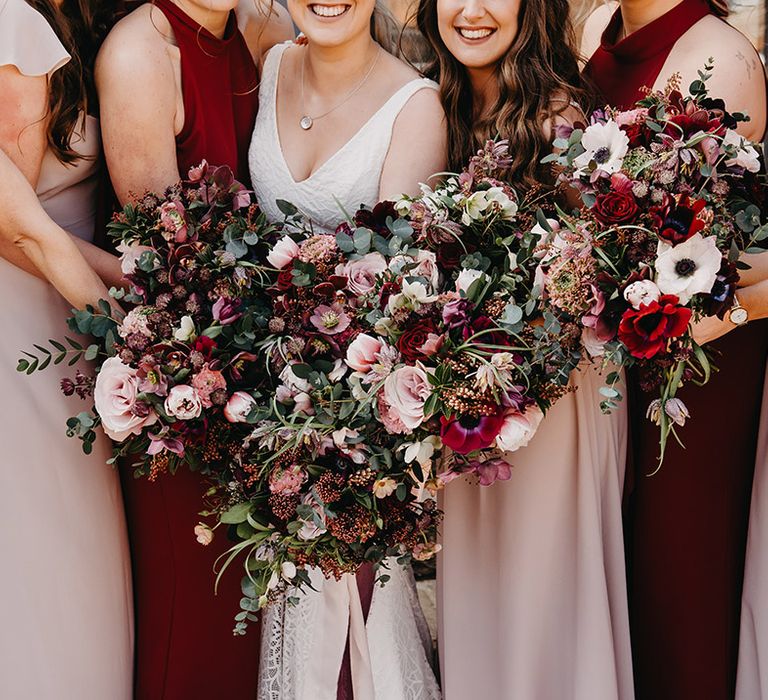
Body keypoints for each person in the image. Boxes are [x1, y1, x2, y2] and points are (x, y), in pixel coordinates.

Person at [415, 1, 634, 698]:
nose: (472, 11)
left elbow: (599, 274)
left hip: (557, 398)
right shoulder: (430, 105)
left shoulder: (560, 118)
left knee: (544, 595)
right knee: (482, 594)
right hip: (471, 405)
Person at [248, 1, 446, 697]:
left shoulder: (415, 107)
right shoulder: (267, 60)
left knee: (349, 637)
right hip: (256, 419)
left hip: (351, 430)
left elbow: (399, 306)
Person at [95, 1, 293, 696]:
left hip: (274, 383)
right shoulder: (141, 53)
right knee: (199, 619)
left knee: (265, 628)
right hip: (187, 389)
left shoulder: (262, 30)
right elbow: (163, 270)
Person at [581, 1, 768, 698]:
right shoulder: (601, 29)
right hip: (610, 359)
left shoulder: (719, 54)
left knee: (676, 582)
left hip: (692, 367)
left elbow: (695, 247)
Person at [0, 1, 133, 697]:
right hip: (32, 321)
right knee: (45, 545)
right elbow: (18, 230)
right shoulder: (11, 23)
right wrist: (132, 319)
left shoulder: (83, 17)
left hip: (72, 315)